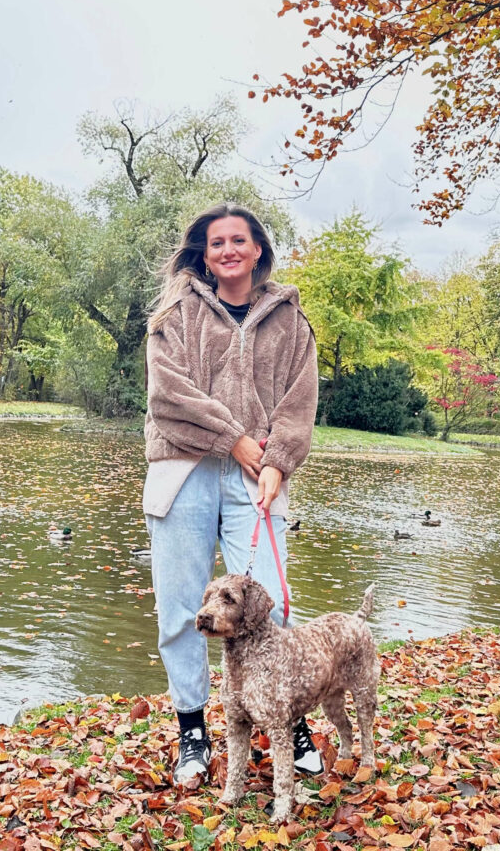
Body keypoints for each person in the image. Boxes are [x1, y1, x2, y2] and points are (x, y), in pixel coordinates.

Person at [142, 201, 321, 785]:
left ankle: (290, 722)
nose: (227, 251)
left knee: (274, 604)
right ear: (204, 252)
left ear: (258, 250)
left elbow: (299, 403)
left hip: (257, 478)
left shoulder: (292, 322)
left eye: (238, 241)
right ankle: (193, 732)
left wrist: (277, 460)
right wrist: (236, 438)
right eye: (216, 243)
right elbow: (170, 397)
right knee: (182, 612)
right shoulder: (174, 314)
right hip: (183, 472)